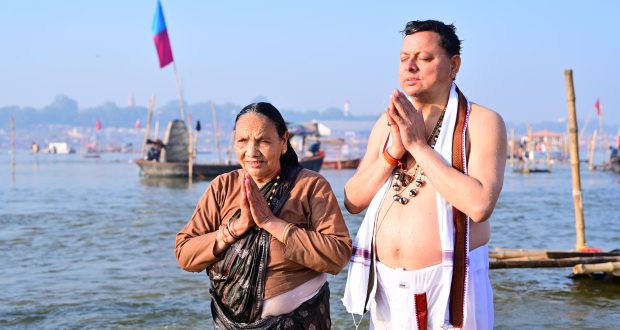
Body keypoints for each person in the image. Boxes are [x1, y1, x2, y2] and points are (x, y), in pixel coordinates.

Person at [342, 20, 506, 329]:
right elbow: (352, 200)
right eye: (404, 58)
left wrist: (418, 145)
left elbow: (480, 205)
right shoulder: (387, 123)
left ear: (453, 64)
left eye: (424, 58)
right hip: (387, 287)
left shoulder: (482, 122)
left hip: (454, 282)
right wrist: (392, 154)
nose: (410, 66)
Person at [175, 102, 352, 329]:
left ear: (284, 142)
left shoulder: (310, 186)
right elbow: (185, 254)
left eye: (263, 141)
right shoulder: (222, 187)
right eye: (242, 141)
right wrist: (234, 230)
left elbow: (338, 255)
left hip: (300, 321)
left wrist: (272, 223)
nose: (251, 152)